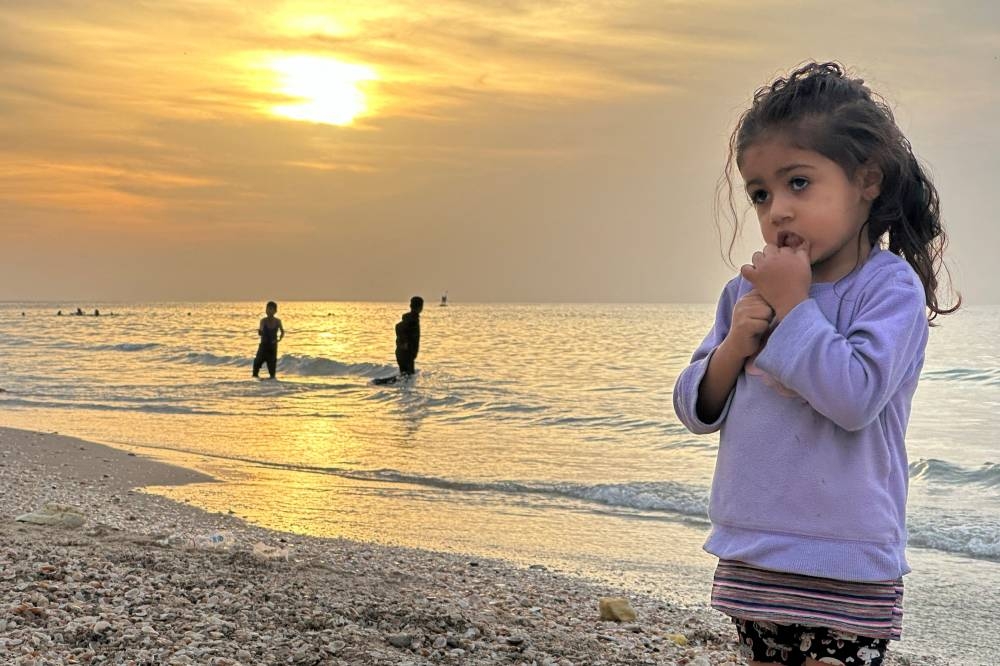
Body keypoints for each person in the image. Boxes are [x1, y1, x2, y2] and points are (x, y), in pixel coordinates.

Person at [672, 62, 959, 666]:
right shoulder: (741, 294)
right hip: (753, 547)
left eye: (798, 183)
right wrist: (732, 349)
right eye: (760, 193)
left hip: (845, 559)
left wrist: (794, 306)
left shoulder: (887, 288)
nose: (777, 209)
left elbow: (853, 397)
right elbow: (695, 408)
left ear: (867, 180)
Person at [252, 301, 284, 379]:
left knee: (272, 368)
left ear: (275, 311)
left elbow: (282, 331)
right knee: (257, 363)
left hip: (273, 347)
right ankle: (254, 381)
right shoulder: (263, 321)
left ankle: (272, 383)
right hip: (263, 346)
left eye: (271, 309)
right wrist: (260, 332)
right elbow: (261, 331)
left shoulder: (278, 321)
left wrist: (279, 339)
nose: (269, 311)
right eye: (267, 309)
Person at [395, 296, 423, 377]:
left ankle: (399, 389)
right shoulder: (412, 319)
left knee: (405, 377)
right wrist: (404, 342)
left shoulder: (412, 318)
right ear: (420, 307)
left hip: (404, 353)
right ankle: (380, 383)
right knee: (408, 377)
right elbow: (398, 327)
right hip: (406, 354)